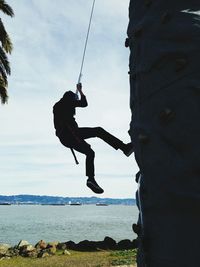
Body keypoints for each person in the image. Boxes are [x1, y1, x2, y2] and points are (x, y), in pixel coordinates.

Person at [53, 83, 134, 194]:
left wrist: (74, 100)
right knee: (98, 131)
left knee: (90, 153)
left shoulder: (59, 106)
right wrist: (80, 91)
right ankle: (124, 148)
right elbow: (84, 103)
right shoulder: (66, 102)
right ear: (70, 98)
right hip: (71, 134)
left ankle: (91, 179)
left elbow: (71, 107)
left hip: (66, 137)